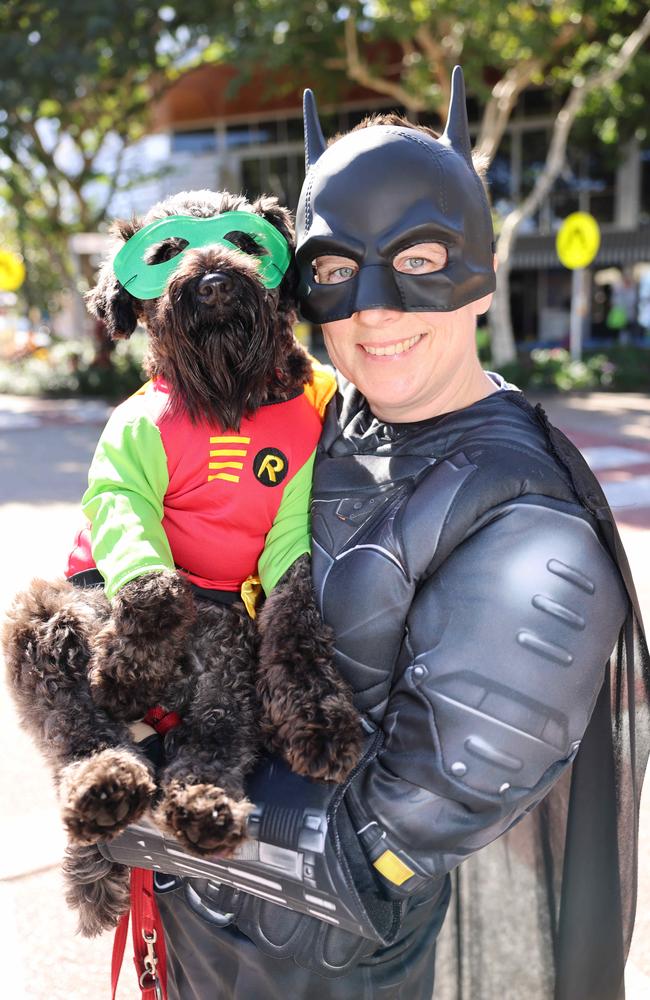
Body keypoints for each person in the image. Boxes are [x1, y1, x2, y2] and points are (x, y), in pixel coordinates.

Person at [152, 67, 648, 999]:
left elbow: (388, 846)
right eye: (336, 270)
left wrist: (166, 806)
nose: (373, 309)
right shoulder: (312, 424)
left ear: (479, 279)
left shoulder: (530, 523)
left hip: (331, 965)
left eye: (418, 261)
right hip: (202, 949)